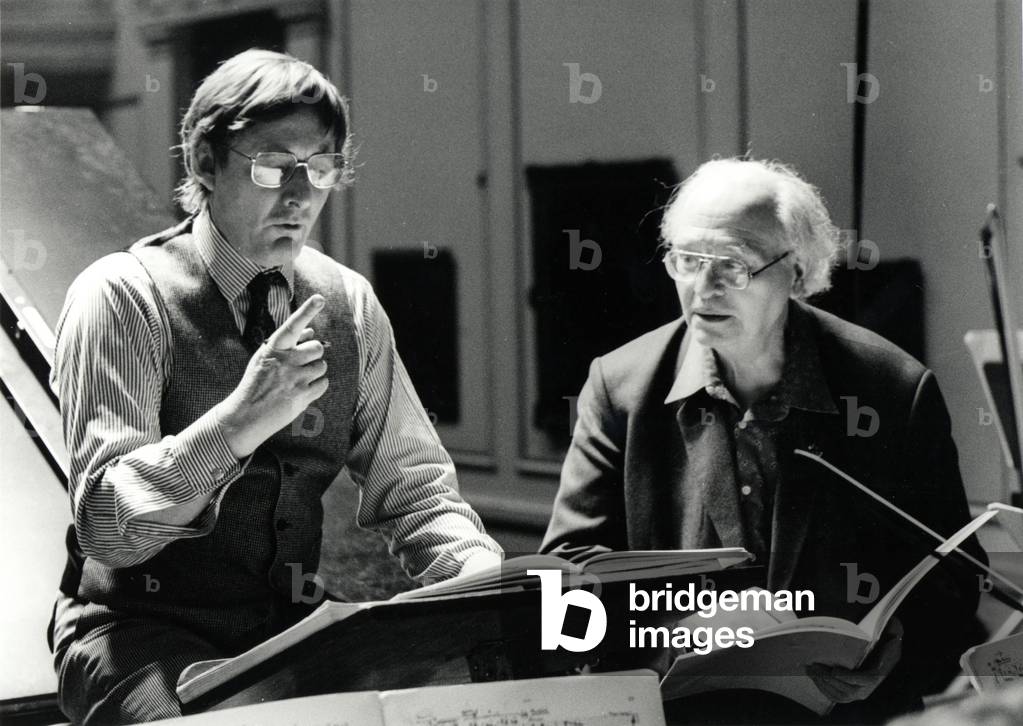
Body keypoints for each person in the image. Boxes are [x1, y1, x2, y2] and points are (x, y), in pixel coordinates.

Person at [48, 49, 502, 725]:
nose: (300, 194)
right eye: (272, 165)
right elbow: (109, 529)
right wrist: (238, 422)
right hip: (135, 635)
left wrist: (488, 590)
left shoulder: (348, 304)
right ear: (203, 163)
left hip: (287, 632)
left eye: (320, 168)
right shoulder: (121, 297)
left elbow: (415, 487)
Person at [540, 158, 986, 723]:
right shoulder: (620, 386)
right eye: (688, 261)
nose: (703, 288)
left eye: (732, 264)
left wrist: (897, 649)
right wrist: (673, 634)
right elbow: (565, 581)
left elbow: (951, 579)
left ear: (798, 272)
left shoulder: (893, 389)